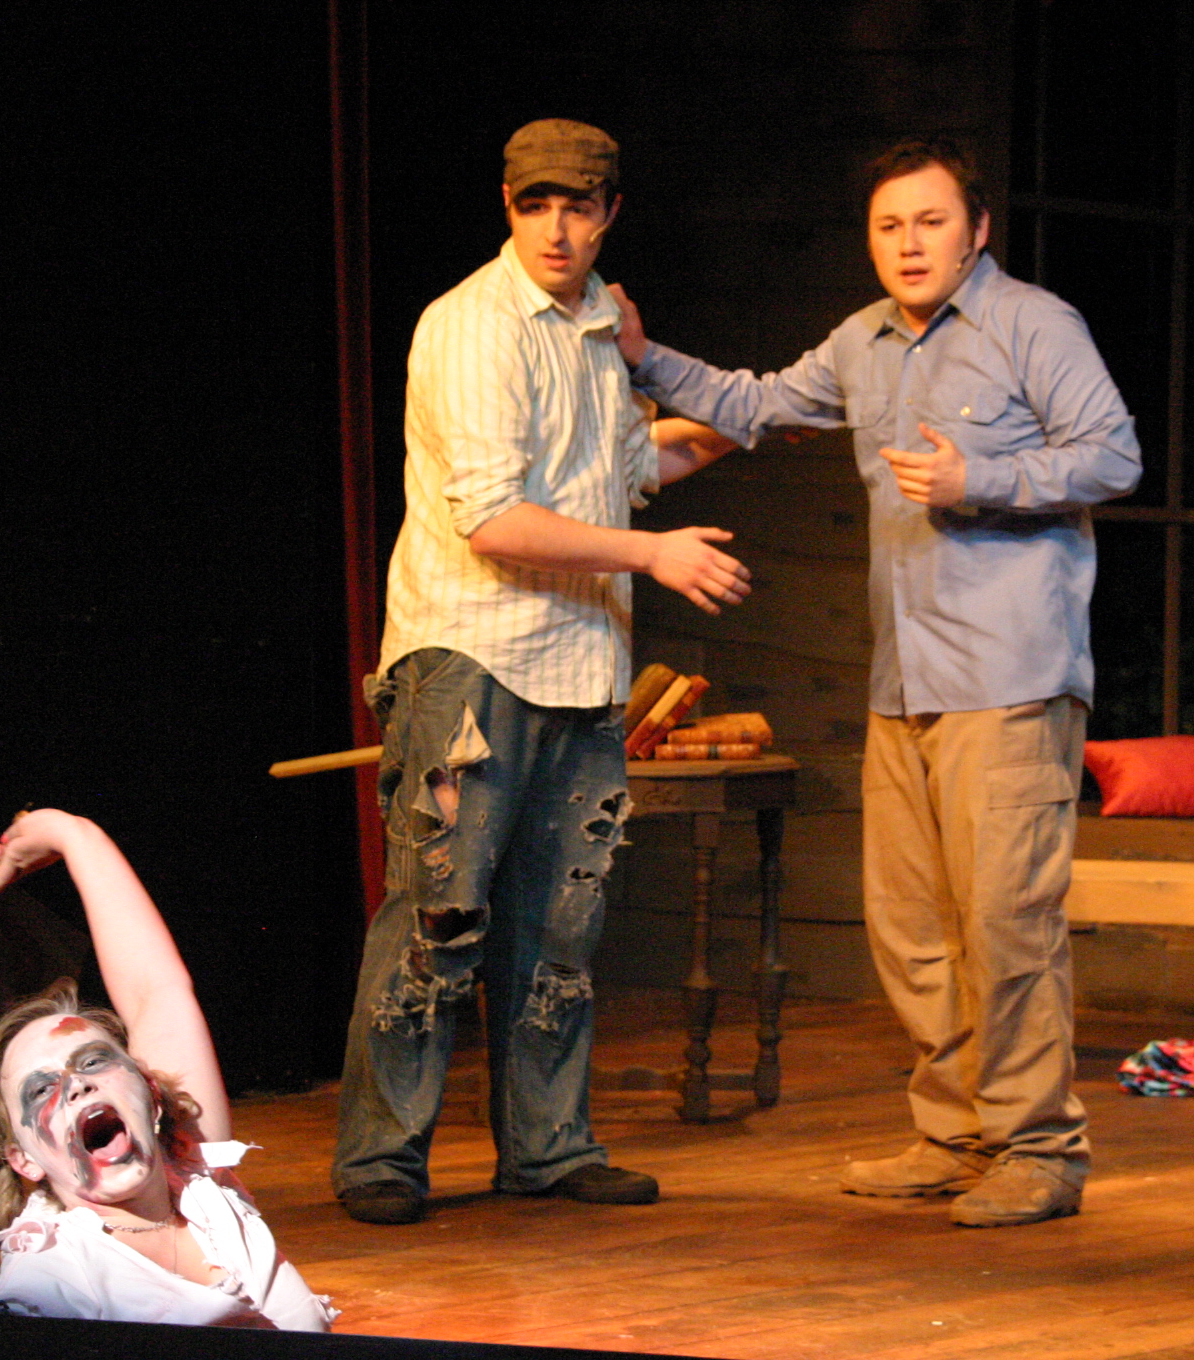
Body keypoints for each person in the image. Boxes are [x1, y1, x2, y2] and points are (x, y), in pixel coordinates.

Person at [620, 137, 1142, 1228]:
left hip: (1008, 675)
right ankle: (954, 1135)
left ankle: (1039, 1148)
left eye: (930, 222)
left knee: (1006, 922)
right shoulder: (862, 341)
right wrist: (644, 355)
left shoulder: (1032, 324)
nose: (909, 244)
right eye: (888, 227)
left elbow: (1112, 456)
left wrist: (978, 477)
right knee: (910, 926)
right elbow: (755, 405)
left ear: (977, 230)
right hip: (904, 677)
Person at [333, 118, 749, 1227]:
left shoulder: (601, 327)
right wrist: (652, 557)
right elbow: (494, 520)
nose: (556, 228)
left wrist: (747, 426)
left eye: (577, 206)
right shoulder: (473, 326)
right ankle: (383, 1155)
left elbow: (629, 466)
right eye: (535, 205)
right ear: (508, 205)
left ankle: (548, 1146)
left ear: (610, 213)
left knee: (561, 927)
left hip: (580, 662)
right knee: (438, 912)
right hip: (472, 654)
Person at [0, 809, 335, 1329]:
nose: (77, 1086)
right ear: (23, 1159)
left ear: (151, 1091)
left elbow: (155, 991)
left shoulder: (198, 1182)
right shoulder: (46, 1290)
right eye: (42, 1089)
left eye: (93, 1061)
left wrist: (72, 833)